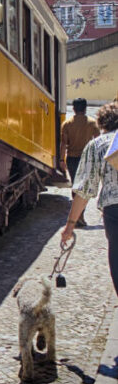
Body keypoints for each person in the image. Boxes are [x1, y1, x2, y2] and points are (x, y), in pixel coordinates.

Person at [61, 101, 118, 298]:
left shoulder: (98, 146)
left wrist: (70, 225)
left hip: (114, 210)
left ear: (102, 123)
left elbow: (84, 191)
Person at [59, 98, 99, 226]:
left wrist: (61, 159)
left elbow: (64, 144)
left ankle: (77, 216)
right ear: (85, 108)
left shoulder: (67, 124)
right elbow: (98, 142)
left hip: (72, 158)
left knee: (75, 186)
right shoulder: (92, 123)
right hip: (87, 158)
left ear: (74, 109)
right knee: (84, 187)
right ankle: (80, 215)